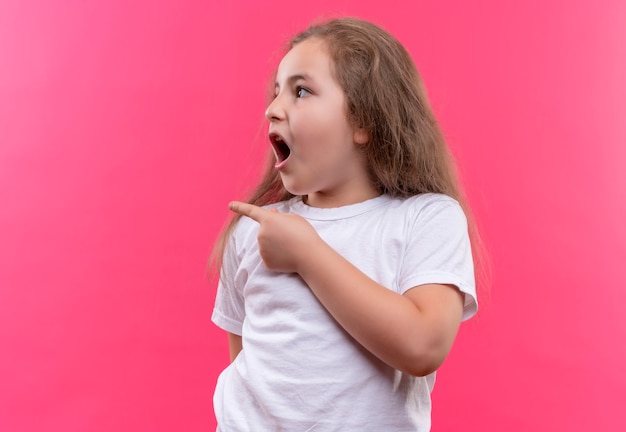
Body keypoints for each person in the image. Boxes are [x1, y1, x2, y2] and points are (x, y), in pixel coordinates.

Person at [211, 17, 482, 431]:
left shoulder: (427, 218)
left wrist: (307, 254)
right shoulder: (254, 232)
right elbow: (246, 365)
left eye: (301, 91)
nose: (272, 108)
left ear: (363, 122)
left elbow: (423, 345)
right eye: (276, 91)